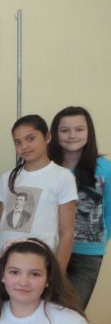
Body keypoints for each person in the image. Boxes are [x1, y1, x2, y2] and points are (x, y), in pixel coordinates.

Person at [0, 115, 77, 285]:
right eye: (17, 142)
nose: (24, 146)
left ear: (47, 137)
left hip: (38, 269)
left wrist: (57, 277)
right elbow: (0, 227)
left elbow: (67, 232)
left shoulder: (62, 177)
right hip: (6, 267)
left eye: (30, 138)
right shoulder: (7, 178)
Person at [48, 106, 111, 308]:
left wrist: (100, 242)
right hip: (51, 249)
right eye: (65, 130)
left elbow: (109, 210)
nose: (72, 135)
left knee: (72, 311)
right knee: (43, 307)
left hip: (88, 255)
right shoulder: (47, 168)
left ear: (89, 132)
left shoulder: (105, 168)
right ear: (55, 134)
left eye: (79, 129)